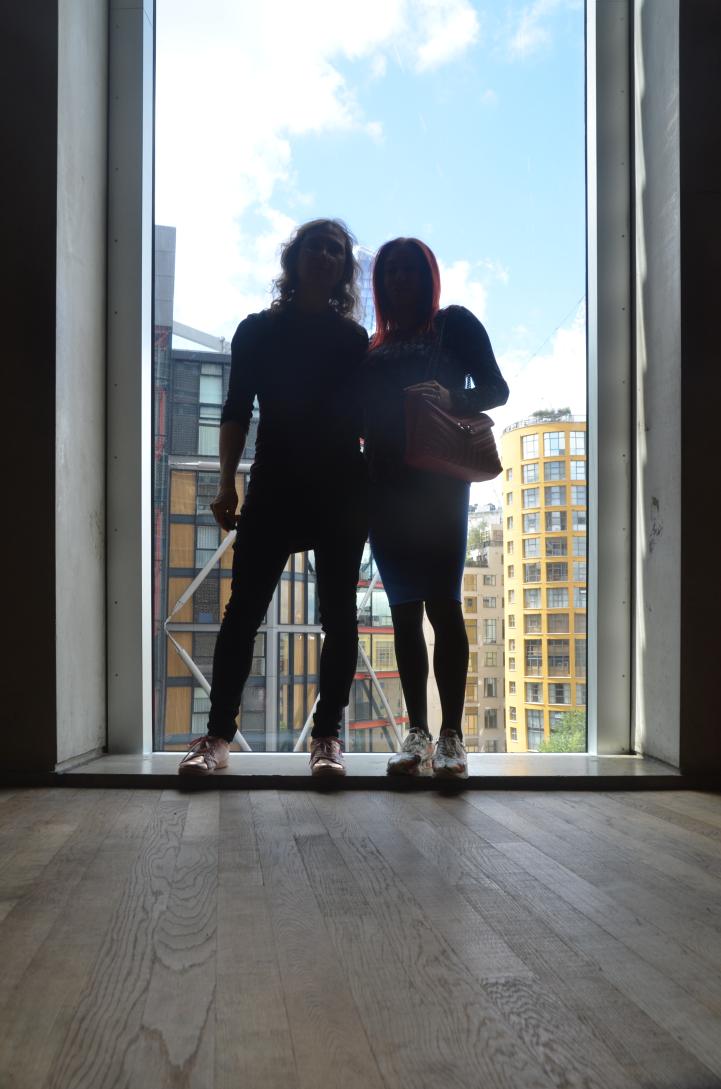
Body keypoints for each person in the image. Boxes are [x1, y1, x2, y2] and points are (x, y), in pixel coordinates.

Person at [178, 219, 368, 778]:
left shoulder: (352, 340)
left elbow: (364, 420)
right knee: (242, 614)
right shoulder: (258, 330)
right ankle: (217, 737)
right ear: (294, 258)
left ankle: (327, 738)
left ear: (343, 268)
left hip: (340, 488)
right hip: (276, 484)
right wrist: (226, 482)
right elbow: (236, 408)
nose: (325, 255)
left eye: (336, 250)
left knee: (340, 617)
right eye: (316, 246)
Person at [364, 238, 509, 778]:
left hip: (440, 484)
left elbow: (496, 388)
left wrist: (452, 398)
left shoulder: (453, 324)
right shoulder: (374, 346)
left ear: (428, 276)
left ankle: (452, 736)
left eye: (410, 269)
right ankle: (418, 734)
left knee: (444, 606)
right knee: (404, 611)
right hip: (384, 485)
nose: (399, 278)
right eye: (390, 271)